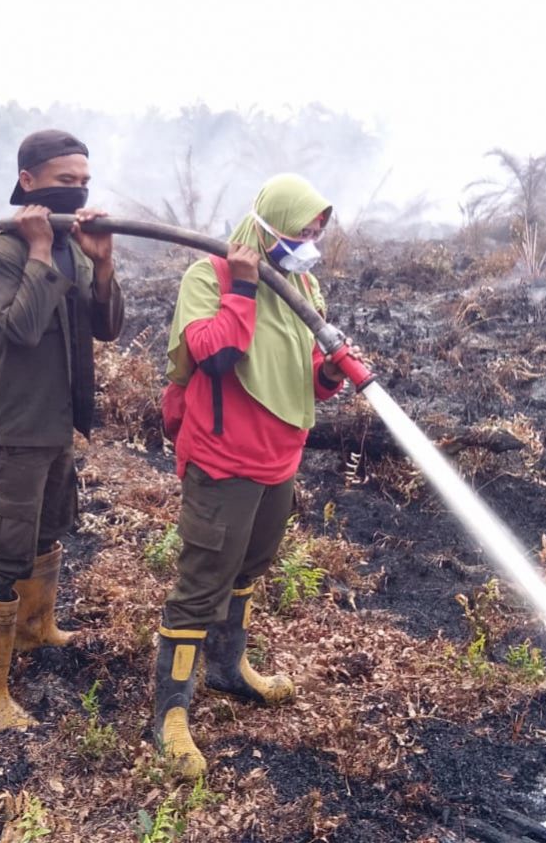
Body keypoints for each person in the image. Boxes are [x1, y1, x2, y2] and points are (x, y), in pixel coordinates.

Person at [152, 173, 356, 777]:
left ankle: (227, 667)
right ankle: (169, 712)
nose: (310, 240)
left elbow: (309, 370)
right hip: (223, 458)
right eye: (302, 229)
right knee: (203, 579)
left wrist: (333, 370)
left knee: (248, 568)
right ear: (269, 223)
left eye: (318, 231)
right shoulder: (208, 277)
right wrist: (242, 288)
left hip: (279, 458)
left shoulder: (304, 285)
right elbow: (214, 355)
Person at [0, 129, 124, 731]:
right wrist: (36, 250)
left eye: (83, 182)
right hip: (16, 427)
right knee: (3, 552)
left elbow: (104, 328)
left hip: (58, 425)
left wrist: (101, 262)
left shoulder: (74, 248)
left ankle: (34, 629)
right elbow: (23, 329)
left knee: (48, 530)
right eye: (64, 182)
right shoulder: (0, 250)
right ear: (28, 182)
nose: (77, 192)